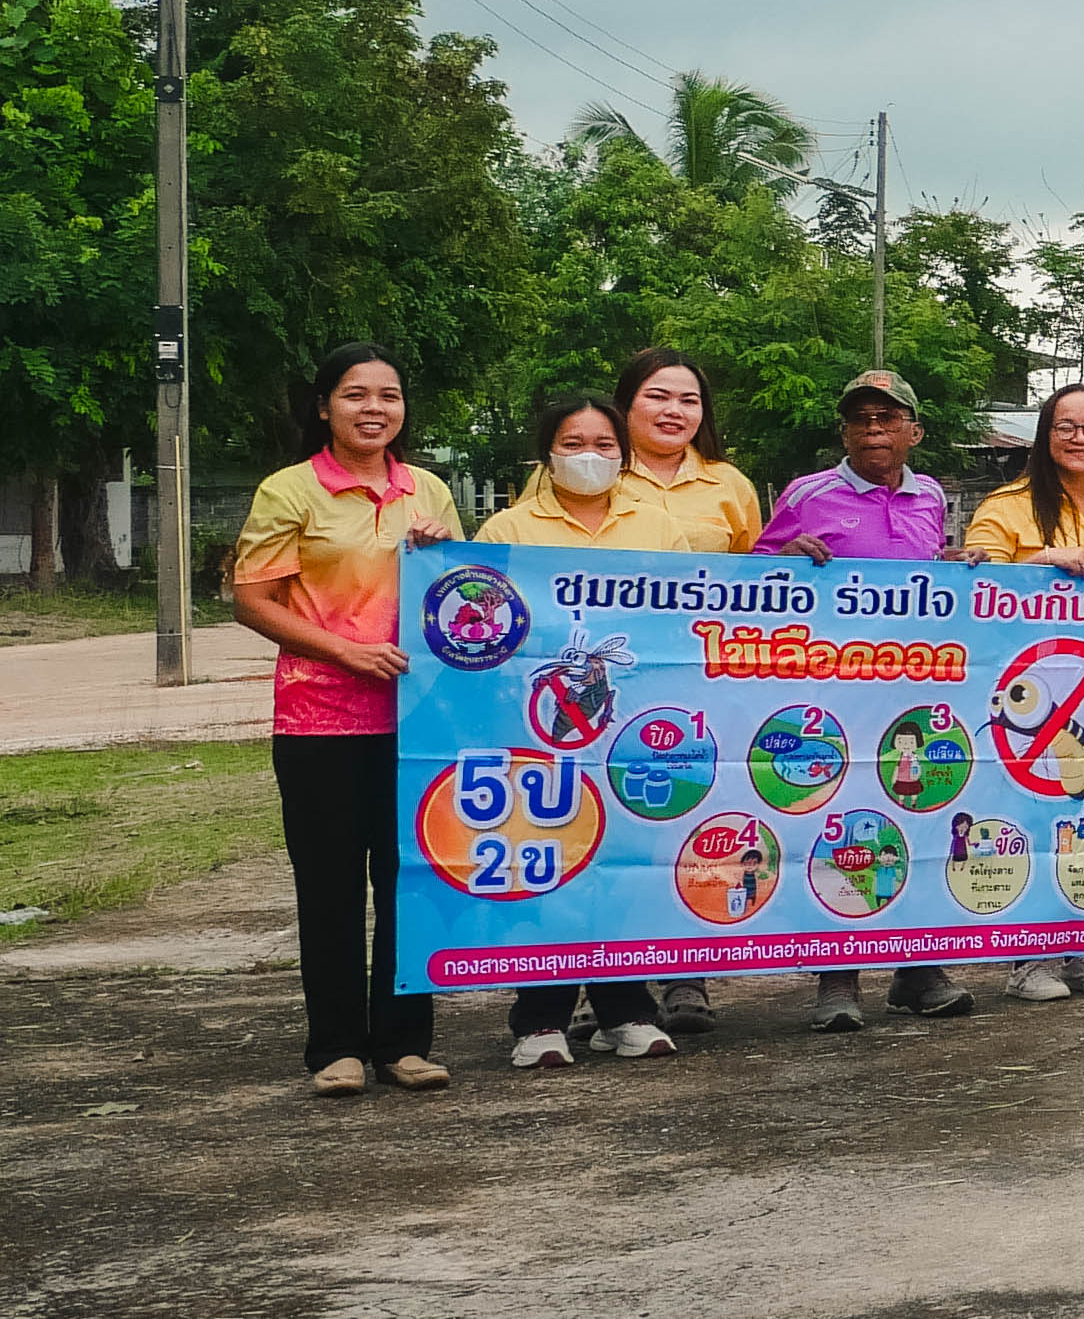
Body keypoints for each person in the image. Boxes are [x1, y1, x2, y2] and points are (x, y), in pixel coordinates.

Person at [235, 344, 459, 1096]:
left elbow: (464, 594)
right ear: (324, 406)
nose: (374, 409)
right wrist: (345, 652)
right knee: (330, 889)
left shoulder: (428, 489)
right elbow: (252, 600)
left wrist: (445, 552)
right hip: (319, 721)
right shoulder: (290, 490)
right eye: (356, 394)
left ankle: (404, 1043)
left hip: (418, 724)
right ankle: (334, 1048)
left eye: (389, 395)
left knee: (412, 883)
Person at [752, 369, 985, 1022]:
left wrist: (954, 566)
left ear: (915, 432)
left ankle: (917, 969)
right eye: (861, 419)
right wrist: (781, 558)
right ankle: (838, 978)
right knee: (840, 827)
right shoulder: (808, 494)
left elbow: (926, 570)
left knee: (921, 818)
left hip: (913, 690)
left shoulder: (930, 495)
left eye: (887, 418)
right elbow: (748, 579)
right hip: (832, 692)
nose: (874, 429)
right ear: (845, 433)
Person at [471, 394, 689, 1069]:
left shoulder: (658, 525)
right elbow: (477, 616)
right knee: (549, 860)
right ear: (547, 453)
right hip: (537, 728)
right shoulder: (507, 529)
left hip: (630, 726)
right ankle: (540, 1020)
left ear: (623, 454)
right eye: (572, 443)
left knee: (624, 864)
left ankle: (626, 1011)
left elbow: (687, 616)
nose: (588, 456)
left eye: (603, 443)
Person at [951, 379, 1084, 1002]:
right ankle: (1029, 957)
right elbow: (973, 587)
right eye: (1066, 426)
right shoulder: (1009, 505)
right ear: (1045, 436)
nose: (1080, 438)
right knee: (1029, 811)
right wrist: (1038, 563)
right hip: (1028, 693)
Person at [608, 348, 766, 554]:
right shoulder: (597, 474)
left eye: (689, 401)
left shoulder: (731, 483)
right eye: (658, 397)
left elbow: (751, 566)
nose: (674, 411)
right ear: (625, 403)